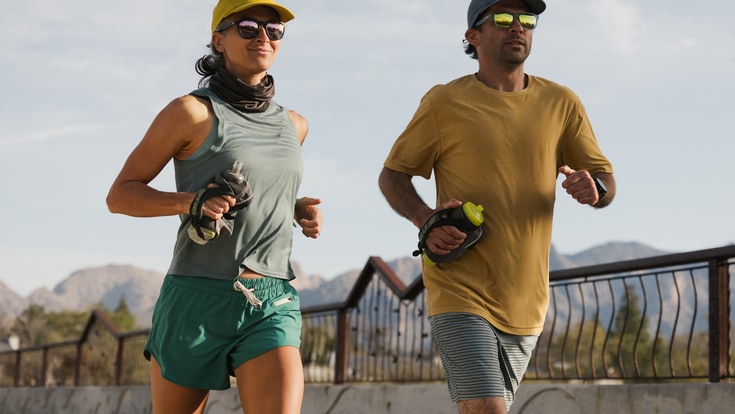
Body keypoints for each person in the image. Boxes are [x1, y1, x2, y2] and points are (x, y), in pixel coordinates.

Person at [378, 0, 616, 413]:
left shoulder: (562, 103)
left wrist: (593, 187)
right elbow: (393, 176)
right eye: (503, 19)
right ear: (472, 36)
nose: (517, 28)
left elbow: (605, 180)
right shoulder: (443, 102)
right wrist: (426, 219)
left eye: (527, 21)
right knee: (487, 408)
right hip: (459, 287)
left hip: (526, 298)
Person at [106, 0, 321, 412]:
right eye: (247, 26)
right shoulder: (190, 112)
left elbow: (263, 187)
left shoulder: (294, 125)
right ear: (217, 40)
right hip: (195, 298)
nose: (263, 36)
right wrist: (191, 202)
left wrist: (294, 208)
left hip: (270, 299)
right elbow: (121, 195)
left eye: (274, 30)